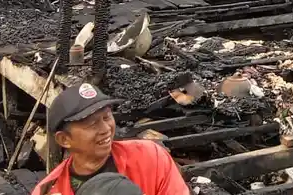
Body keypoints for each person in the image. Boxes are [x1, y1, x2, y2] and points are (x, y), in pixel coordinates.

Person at [32, 82, 188, 195]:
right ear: (64, 139)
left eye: (107, 117)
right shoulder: (48, 190)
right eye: (92, 124)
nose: (106, 129)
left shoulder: (150, 158)